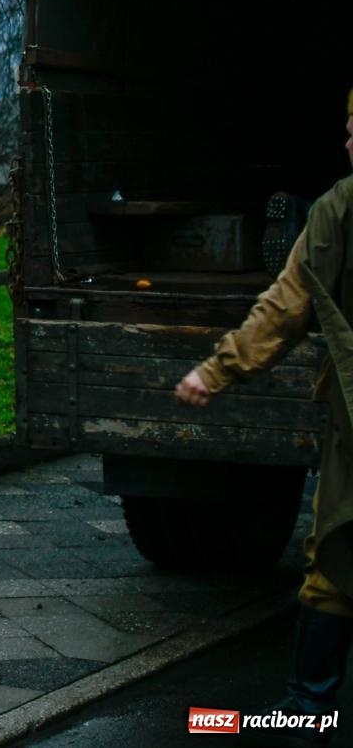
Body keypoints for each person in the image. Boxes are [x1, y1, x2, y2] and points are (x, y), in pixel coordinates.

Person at [174, 90, 353, 726]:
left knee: (339, 556)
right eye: (349, 129)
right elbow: (289, 301)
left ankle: (308, 710)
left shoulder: (340, 208)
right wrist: (219, 369)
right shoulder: (340, 207)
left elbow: (288, 302)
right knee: (337, 555)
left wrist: (217, 370)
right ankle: (309, 710)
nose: (348, 143)